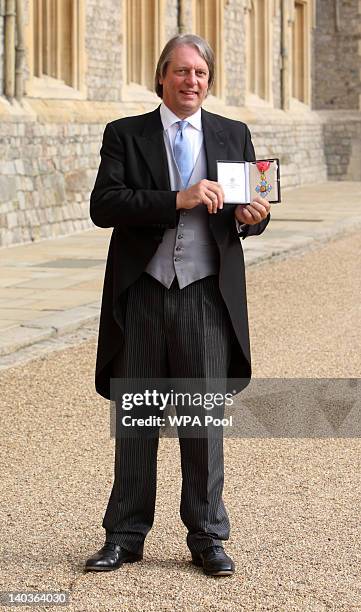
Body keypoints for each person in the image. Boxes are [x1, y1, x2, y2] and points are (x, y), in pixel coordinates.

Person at [85, 34, 270, 577]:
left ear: (208, 82)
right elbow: (104, 204)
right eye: (182, 72)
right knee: (137, 419)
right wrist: (176, 199)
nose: (192, 82)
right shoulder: (125, 134)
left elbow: (253, 209)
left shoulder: (233, 133)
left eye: (201, 74)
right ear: (162, 76)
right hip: (141, 293)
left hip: (205, 297)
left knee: (202, 422)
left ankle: (208, 536)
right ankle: (124, 535)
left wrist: (251, 218)